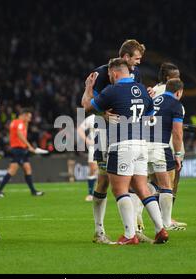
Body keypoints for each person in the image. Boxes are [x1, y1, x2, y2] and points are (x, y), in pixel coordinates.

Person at [82, 58, 168, 245]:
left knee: (119, 189)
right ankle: (160, 229)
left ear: (114, 73)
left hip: (121, 144)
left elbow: (87, 107)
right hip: (141, 144)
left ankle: (129, 235)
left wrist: (89, 87)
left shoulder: (112, 90)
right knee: (142, 188)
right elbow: (150, 117)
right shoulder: (143, 90)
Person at [85, 39, 146, 244]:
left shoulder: (135, 74)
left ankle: (132, 231)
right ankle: (99, 230)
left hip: (130, 134)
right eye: (136, 59)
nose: (138, 63)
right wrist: (103, 115)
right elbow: (87, 105)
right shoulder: (101, 74)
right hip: (106, 132)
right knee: (103, 180)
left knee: (135, 183)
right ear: (126, 57)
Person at [145, 78, 184, 230]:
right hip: (159, 146)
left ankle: (136, 219)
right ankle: (166, 223)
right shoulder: (176, 104)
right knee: (166, 185)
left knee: (145, 184)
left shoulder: (152, 100)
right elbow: (177, 132)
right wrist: (178, 154)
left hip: (142, 145)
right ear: (179, 92)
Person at [0, 108, 48, 197]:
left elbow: (22, 134)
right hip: (18, 149)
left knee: (27, 168)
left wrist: (26, 124)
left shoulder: (16, 123)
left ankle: (33, 191)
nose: (30, 119)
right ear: (24, 115)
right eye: (29, 117)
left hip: (21, 149)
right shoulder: (19, 123)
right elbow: (20, 135)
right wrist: (29, 146)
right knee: (12, 170)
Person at [77, 114, 98, 202]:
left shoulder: (109, 114)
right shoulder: (91, 118)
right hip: (95, 147)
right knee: (93, 169)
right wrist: (87, 140)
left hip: (109, 146)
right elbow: (80, 129)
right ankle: (90, 194)